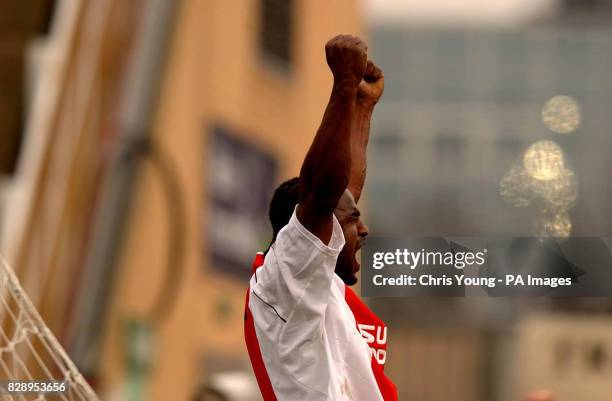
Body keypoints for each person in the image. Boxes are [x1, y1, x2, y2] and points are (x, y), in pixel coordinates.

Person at [243, 34, 397, 400]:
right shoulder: (290, 275)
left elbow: (343, 193)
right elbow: (325, 192)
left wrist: (361, 105)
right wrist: (342, 85)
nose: (364, 230)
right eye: (351, 222)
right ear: (316, 227)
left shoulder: (312, 280)